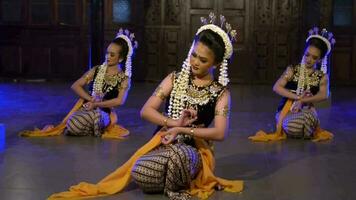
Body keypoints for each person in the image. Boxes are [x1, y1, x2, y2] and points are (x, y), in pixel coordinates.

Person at [48, 13, 243, 200]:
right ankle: (171, 178)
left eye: (202, 60)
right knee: (139, 172)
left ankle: (176, 185)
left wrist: (182, 129)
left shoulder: (221, 93)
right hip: (162, 142)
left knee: (179, 155)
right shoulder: (174, 79)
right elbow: (146, 111)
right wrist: (172, 122)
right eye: (193, 55)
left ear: (216, 63)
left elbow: (220, 133)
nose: (194, 62)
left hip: (193, 150)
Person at [20, 28, 138, 139]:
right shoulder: (97, 70)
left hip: (104, 112)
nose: (107, 56)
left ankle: (93, 125)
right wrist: (91, 99)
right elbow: (75, 86)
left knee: (96, 118)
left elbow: (119, 101)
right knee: (73, 122)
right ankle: (91, 128)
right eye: (107, 53)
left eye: (112, 55)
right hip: (88, 108)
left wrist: (97, 105)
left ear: (121, 58)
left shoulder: (124, 79)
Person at [249, 27, 335, 142]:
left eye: (314, 58)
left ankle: (303, 128)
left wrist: (303, 101)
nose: (309, 59)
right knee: (293, 124)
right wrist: (298, 97)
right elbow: (276, 87)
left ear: (320, 60)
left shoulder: (322, 76)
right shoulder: (292, 70)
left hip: (307, 109)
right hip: (287, 109)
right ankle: (298, 129)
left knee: (307, 117)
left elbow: (324, 95)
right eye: (307, 55)